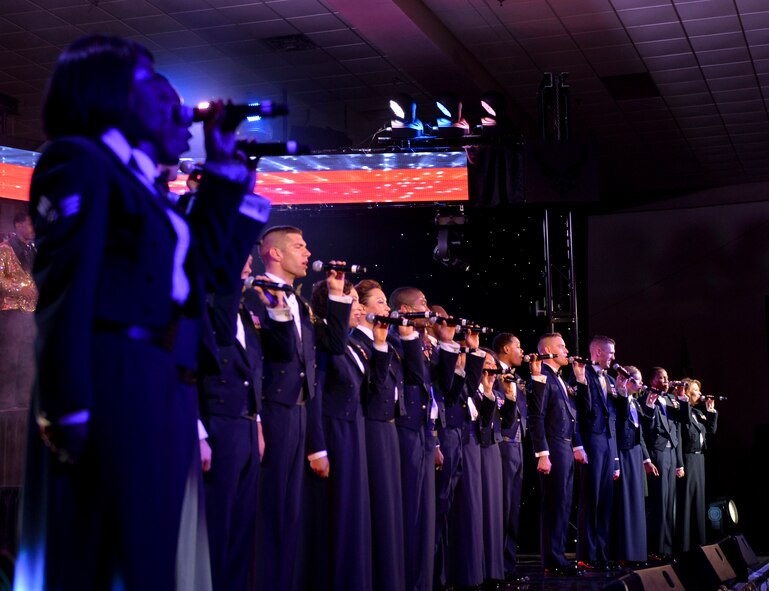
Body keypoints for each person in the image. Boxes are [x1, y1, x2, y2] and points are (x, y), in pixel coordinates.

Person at [15, 33, 266, 591]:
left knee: (148, 556)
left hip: (163, 382)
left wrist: (225, 173)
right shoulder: (76, 160)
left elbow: (211, 276)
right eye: (153, 83)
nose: (173, 103)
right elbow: (65, 289)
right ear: (108, 92)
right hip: (113, 379)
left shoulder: (138, 183)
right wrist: (67, 408)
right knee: (101, 555)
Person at [250, 226, 351, 591]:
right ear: (274, 253)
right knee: (268, 509)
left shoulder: (301, 302)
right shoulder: (254, 294)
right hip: (270, 409)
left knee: (289, 513)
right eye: (298, 246)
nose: (308, 252)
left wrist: (337, 293)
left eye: (307, 245)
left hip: (299, 411)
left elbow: (335, 345)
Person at [198, 255, 265, 591]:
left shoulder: (242, 313)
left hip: (246, 426)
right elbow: (189, 371)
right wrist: (197, 432)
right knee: (216, 526)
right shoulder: (203, 305)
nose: (249, 269)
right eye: (242, 261)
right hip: (217, 426)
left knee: (242, 529)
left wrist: (258, 423)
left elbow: (254, 372)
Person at [305, 280, 375, 591]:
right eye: (353, 299)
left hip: (353, 432)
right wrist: (317, 447)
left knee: (353, 513)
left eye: (361, 300)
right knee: (337, 513)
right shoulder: (322, 340)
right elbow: (315, 396)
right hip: (333, 433)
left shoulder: (352, 345)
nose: (359, 306)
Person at [389, 286, 457, 591]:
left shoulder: (428, 344)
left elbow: (445, 388)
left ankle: (427, 579)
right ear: (404, 311)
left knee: (429, 512)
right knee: (411, 511)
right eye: (423, 302)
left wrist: (447, 342)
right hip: (404, 428)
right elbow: (415, 379)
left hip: (426, 431)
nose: (428, 308)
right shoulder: (395, 338)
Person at [352, 279, 406, 591]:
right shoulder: (357, 342)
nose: (387, 308)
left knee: (390, 508)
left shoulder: (387, 343)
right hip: (371, 425)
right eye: (381, 302)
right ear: (362, 309)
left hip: (389, 425)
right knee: (378, 506)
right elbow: (373, 388)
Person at [528, 332, 587, 576]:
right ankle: (552, 559)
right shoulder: (542, 378)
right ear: (549, 350)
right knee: (554, 504)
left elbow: (578, 413)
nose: (566, 350)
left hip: (564, 445)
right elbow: (536, 417)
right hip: (552, 446)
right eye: (561, 346)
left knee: (563, 503)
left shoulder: (560, 379)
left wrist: (576, 446)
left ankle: (559, 556)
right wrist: (542, 453)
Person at [572, 335, 620, 571]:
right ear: (598, 352)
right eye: (610, 353)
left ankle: (601, 553)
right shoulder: (582, 374)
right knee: (589, 497)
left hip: (607, 442)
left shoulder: (611, 379)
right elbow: (580, 411)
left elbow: (616, 416)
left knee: (605, 500)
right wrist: (578, 443)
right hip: (591, 440)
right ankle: (586, 554)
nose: (613, 357)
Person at [639, 367, 690, 561]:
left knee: (670, 504)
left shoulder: (670, 400)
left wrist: (683, 398)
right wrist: (648, 459)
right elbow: (646, 429)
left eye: (667, 377)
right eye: (661, 378)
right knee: (659, 501)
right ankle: (655, 548)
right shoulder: (645, 400)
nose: (666, 381)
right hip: (658, 453)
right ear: (651, 381)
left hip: (670, 453)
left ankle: (667, 549)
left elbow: (682, 423)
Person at [492, 332, 528, 584]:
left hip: (518, 445)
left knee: (513, 507)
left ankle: (508, 564)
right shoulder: (492, 371)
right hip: (502, 444)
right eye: (518, 346)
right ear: (505, 348)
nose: (522, 351)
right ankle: (496, 566)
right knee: (501, 506)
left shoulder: (518, 378)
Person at [613, 365, 657, 566]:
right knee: (625, 502)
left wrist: (649, 406)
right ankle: (624, 552)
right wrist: (621, 389)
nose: (641, 384)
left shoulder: (637, 403)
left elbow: (645, 432)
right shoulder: (617, 398)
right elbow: (619, 422)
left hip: (636, 453)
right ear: (627, 381)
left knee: (637, 503)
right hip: (623, 452)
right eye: (637, 380)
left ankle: (638, 553)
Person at [0, 212, 37, 412]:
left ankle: (23, 400)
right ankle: (5, 402)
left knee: (27, 358)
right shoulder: (4, 250)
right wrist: (20, 288)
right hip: (11, 310)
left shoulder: (33, 250)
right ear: (18, 225)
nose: (33, 228)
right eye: (29, 224)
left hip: (30, 313)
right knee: (10, 357)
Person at [676, 378, 718, 553]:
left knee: (699, 503)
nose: (700, 394)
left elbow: (711, 431)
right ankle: (685, 547)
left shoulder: (696, 412)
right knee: (686, 503)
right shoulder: (681, 410)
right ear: (686, 392)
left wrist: (711, 412)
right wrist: (680, 464)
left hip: (699, 460)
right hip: (688, 459)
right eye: (696, 390)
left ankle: (700, 544)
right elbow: (681, 434)